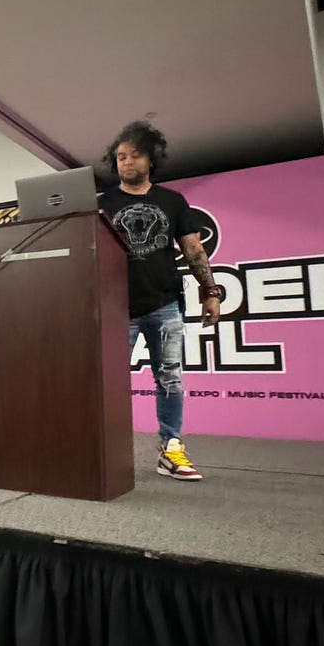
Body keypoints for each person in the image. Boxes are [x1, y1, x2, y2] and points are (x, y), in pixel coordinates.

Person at [97, 121, 224, 481]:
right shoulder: (102, 204)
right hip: (114, 307)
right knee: (107, 381)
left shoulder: (171, 201)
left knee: (170, 377)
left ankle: (171, 448)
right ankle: (102, 448)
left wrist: (210, 293)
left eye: (135, 155)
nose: (126, 163)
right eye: (120, 157)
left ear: (150, 159)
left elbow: (194, 250)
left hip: (163, 304)